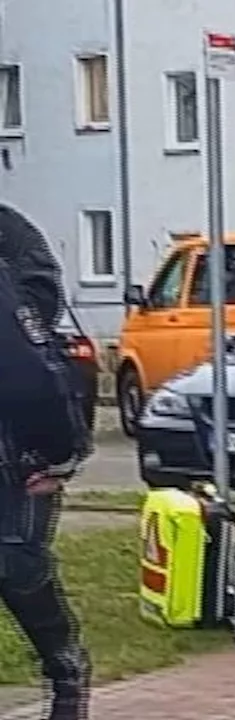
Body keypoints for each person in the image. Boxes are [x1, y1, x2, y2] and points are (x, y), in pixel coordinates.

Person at [0, 204, 92, 719]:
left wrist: (54, 453)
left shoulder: (10, 240)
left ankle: (66, 670)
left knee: (17, 564)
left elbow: (28, 371)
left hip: (13, 453)